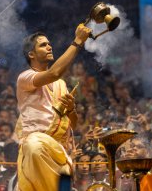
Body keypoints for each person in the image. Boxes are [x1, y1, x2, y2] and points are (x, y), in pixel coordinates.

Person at [16, 24, 92, 191]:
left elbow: (73, 125)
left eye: (49, 43)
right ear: (31, 54)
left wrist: (71, 109)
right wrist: (78, 40)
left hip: (59, 152)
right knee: (34, 145)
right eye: (43, 45)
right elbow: (54, 73)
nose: (49, 46)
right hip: (36, 152)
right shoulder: (25, 77)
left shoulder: (61, 85)